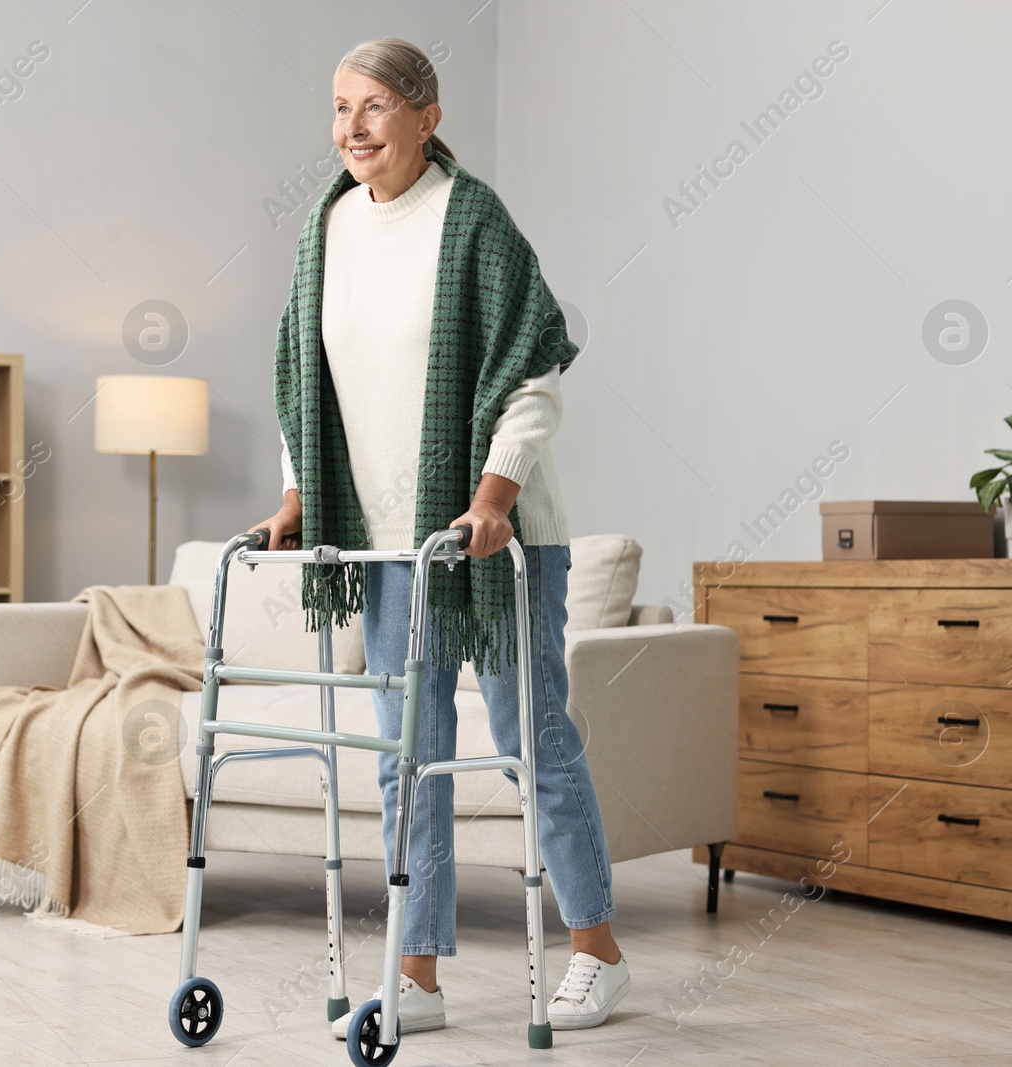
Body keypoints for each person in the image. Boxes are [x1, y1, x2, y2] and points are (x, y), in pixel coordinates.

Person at [250, 36, 628, 1035]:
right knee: (402, 751)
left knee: (527, 735)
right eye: (339, 108)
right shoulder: (323, 229)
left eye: (374, 106)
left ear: (427, 115)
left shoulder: (473, 222)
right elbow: (306, 391)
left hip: (492, 535)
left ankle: (597, 949)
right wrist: (295, 498)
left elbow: (532, 374)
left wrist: (494, 494)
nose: (352, 129)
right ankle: (414, 972)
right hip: (382, 543)